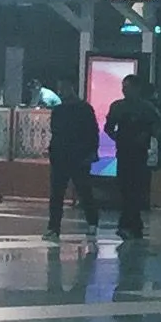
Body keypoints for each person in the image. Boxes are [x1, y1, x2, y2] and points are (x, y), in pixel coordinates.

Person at [104, 72, 161, 240]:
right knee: (125, 188)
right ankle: (133, 224)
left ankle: (128, 224)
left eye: (127, 88)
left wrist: (147, 136)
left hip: (140, 154)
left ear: (137, 89)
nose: (124, 91)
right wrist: (118, 139)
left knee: (135, 190)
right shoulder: (117, 107)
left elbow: (157, 128)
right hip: (123, 153)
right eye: (123, 88)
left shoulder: (147, 108)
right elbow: (109, 128)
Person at [46, 84, 101, 239]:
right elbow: (54, 132)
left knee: (84, 192)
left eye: (64, 86)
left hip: (79, 157)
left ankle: (92, 223)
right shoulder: (58, 110)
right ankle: (53, 227)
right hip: (61, 157)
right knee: (57, 194)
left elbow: (93, 133)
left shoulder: (84, 109)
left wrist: (91, 152)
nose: (61, 91)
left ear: (72, 87)